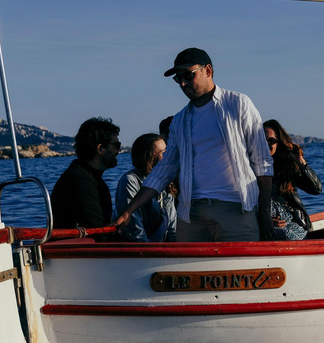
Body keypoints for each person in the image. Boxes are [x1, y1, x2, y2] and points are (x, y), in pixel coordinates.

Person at [114, 47, 274, 242]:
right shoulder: (180, 120)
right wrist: (129, 210)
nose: (182, 83)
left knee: (239, 271)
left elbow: (262, 161)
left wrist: (264, 214)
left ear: (208, 71)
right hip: (191, 215)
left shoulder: (238, 104)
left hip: (236, 210)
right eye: (178, 78)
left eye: (188, 76)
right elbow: (163, 171)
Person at [50, 117, 120, 236]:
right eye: (116, 145)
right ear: (100, 149)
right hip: (76, 251)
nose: (119, 150)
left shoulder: (91, 178)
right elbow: (98, 231)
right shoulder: (80, 181)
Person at [263, 119, 322, 240]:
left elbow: (316, 189)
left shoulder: (285, 167)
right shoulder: (250, 167)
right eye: (262, 140)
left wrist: (301, 162)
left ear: (278, 143)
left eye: (271, 141)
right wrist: (263, 217)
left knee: (284, 235)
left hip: (289, 225)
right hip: (263, 223)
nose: (266, 144)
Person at [114, 133, 177, 242]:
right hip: (137, 251)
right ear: (148, 157)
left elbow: (172, 227)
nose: (168, 157)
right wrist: (149, 253)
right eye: (163, 153)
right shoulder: (130, 181)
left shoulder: (165, 183)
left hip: (157, 250)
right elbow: (135, 230)